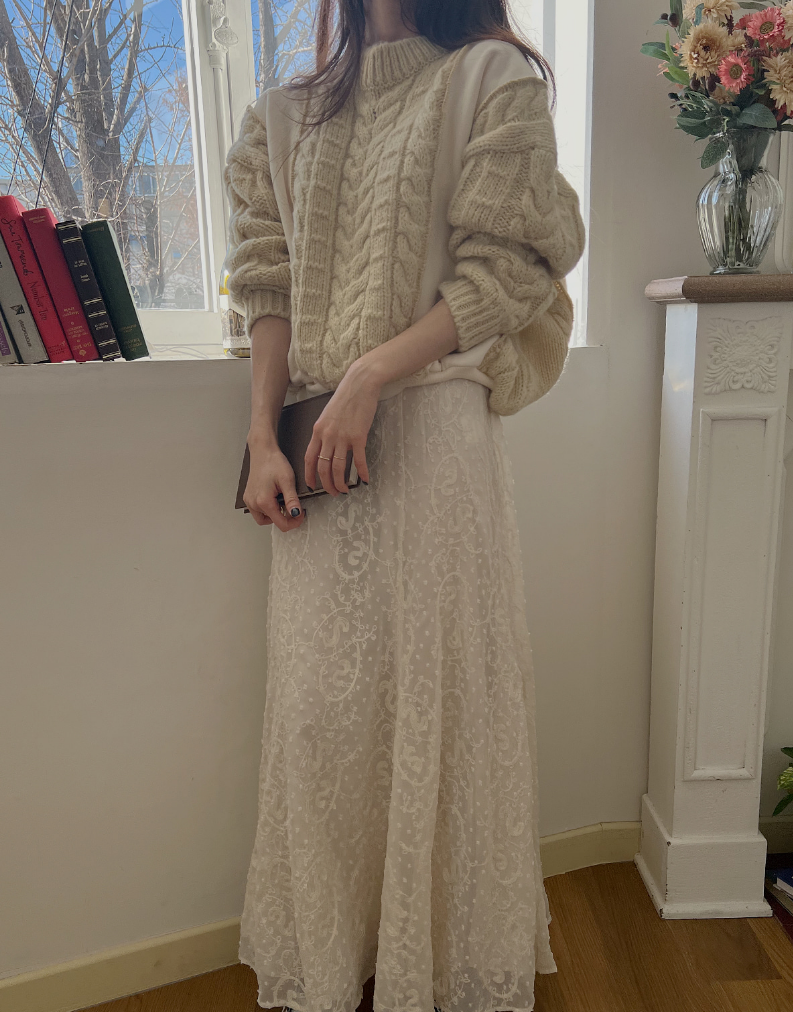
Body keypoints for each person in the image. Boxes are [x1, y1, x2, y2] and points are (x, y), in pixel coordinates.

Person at [223, 1, 585, 1010]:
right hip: (312, 446)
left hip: (434, 438)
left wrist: (369, 373)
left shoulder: (491, 79)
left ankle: (443, 962)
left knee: (444, 700)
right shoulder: (280, 114)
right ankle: (340, 956)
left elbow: (505, 270)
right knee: (323, 718)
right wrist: (260, 438)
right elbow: (266, 285)